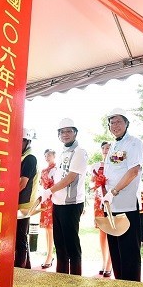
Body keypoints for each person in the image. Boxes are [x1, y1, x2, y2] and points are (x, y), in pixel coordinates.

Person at [100, 108, 143, 282]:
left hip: (126, 205)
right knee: (116, 251)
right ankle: (120, 286)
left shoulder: (134, 143)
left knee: (129, 253)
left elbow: (133, 171)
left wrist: (114, 191)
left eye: (119, 121)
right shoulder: (113, 146)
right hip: (111, 206)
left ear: (127, 123)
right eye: (112, 122)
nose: (115, 125)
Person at [40, 118, 88, 275]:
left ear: (75, 133)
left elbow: (71, 177)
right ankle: (60, 281)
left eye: (69, 131)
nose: (65, 134)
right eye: (62, 132)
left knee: (72, 246)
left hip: (71, 204)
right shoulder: (62, 153)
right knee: (60, 246)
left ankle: (75, 282)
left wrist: (49, 191)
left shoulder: (79, 152)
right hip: (58, 204)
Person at [16, 128, 38, 269]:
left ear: (28, 142)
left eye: (22, 140)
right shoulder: (21, 157)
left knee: (20, 239)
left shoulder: (30, 158)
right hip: (18, 203)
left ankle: (19, 269)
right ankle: (26, 267)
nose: (19, 142)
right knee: (21, 237)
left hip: (23, 204)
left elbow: (22, 183)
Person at [91, 141, 112, 277]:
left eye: (108, 148)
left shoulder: (115, 164)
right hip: (98, 199)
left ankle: (109, 264)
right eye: (103, 148)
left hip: (111, 199)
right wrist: (97, 186)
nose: (105, 150)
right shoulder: (96, 166)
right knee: (101, 232)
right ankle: (103, 261)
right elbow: (92, 182)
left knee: (110, 230)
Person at [39, 149, 56, 269]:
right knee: (47, 228)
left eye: (49, 155)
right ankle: (49, 253)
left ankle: (50, 255)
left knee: (51, 228)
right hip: (44, 200)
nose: (47, 157)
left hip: (53, 199)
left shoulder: (57, 169)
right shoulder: (43, 170)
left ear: (54, 156)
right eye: (45, 155)